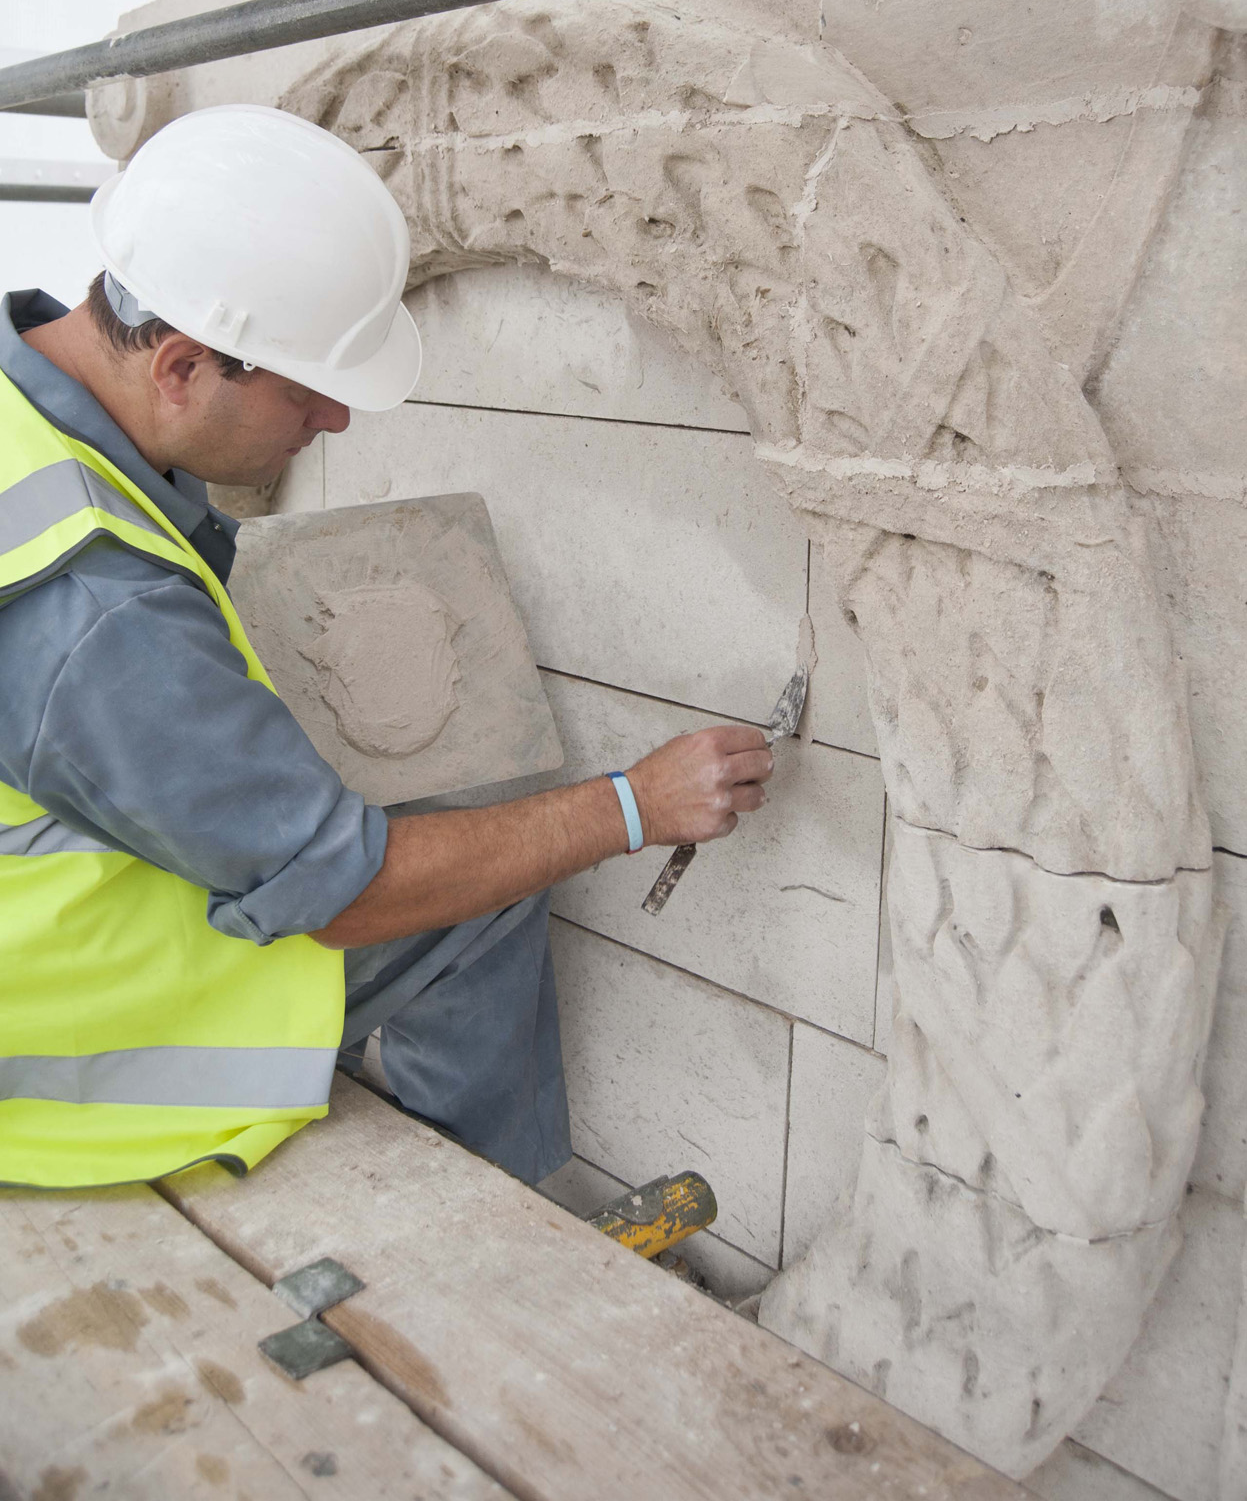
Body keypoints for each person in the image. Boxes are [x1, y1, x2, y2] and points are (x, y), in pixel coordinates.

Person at [0, 103, 773, 1191]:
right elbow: (344, 891)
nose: (333, 425)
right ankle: (482, 1241)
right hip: (45, 1034)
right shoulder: (98, 612)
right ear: (178, 368)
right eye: (308, 392)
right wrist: (631, 806)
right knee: (473, 885)